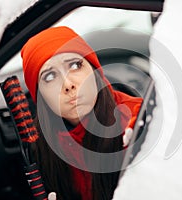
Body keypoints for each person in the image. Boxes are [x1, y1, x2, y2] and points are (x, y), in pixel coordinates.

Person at [21, 26, 143, 200]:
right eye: (49, 76)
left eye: (75, 65)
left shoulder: (134, 120)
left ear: (94, 71)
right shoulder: (41, 146)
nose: (68, 84)